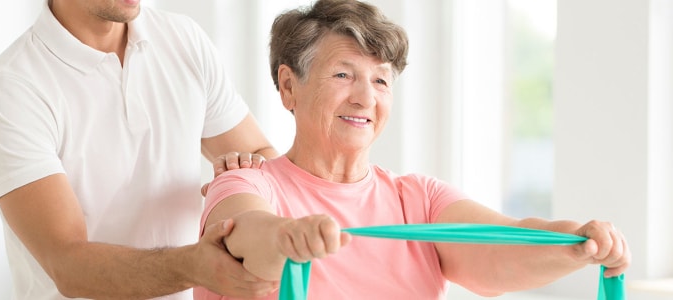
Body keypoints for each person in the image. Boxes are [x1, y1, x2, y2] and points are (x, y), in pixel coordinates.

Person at [195, 0, 631, 299]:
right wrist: (284, 237)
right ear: (289, 86)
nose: (366, 98)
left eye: (381, 80)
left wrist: (577, 243)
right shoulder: (247, 180)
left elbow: (501, 245)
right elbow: (245, 236)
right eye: (344, 75)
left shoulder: (418, 199)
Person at [0, 0, 281, 299]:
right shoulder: (13, 89)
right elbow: (68, 263)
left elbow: (259, 154)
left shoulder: (184, 40)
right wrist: (195, 266)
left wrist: (249, 205)